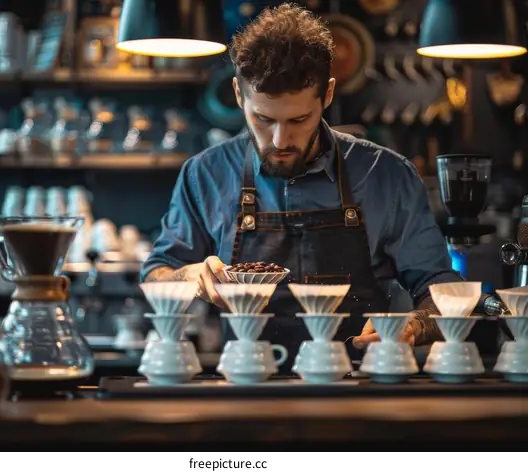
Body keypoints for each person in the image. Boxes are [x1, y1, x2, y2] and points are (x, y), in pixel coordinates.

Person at [141, 3, 463, 371]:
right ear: (237, 94)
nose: (280, 140)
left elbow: (442, 287)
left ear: (327, 94)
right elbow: (157, 274)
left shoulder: (385, 175)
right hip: (246, 386)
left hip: (358, 391)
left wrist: (416, 324)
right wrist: (189, 277)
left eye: (299, 119)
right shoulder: (205, 174)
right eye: (262, 119)